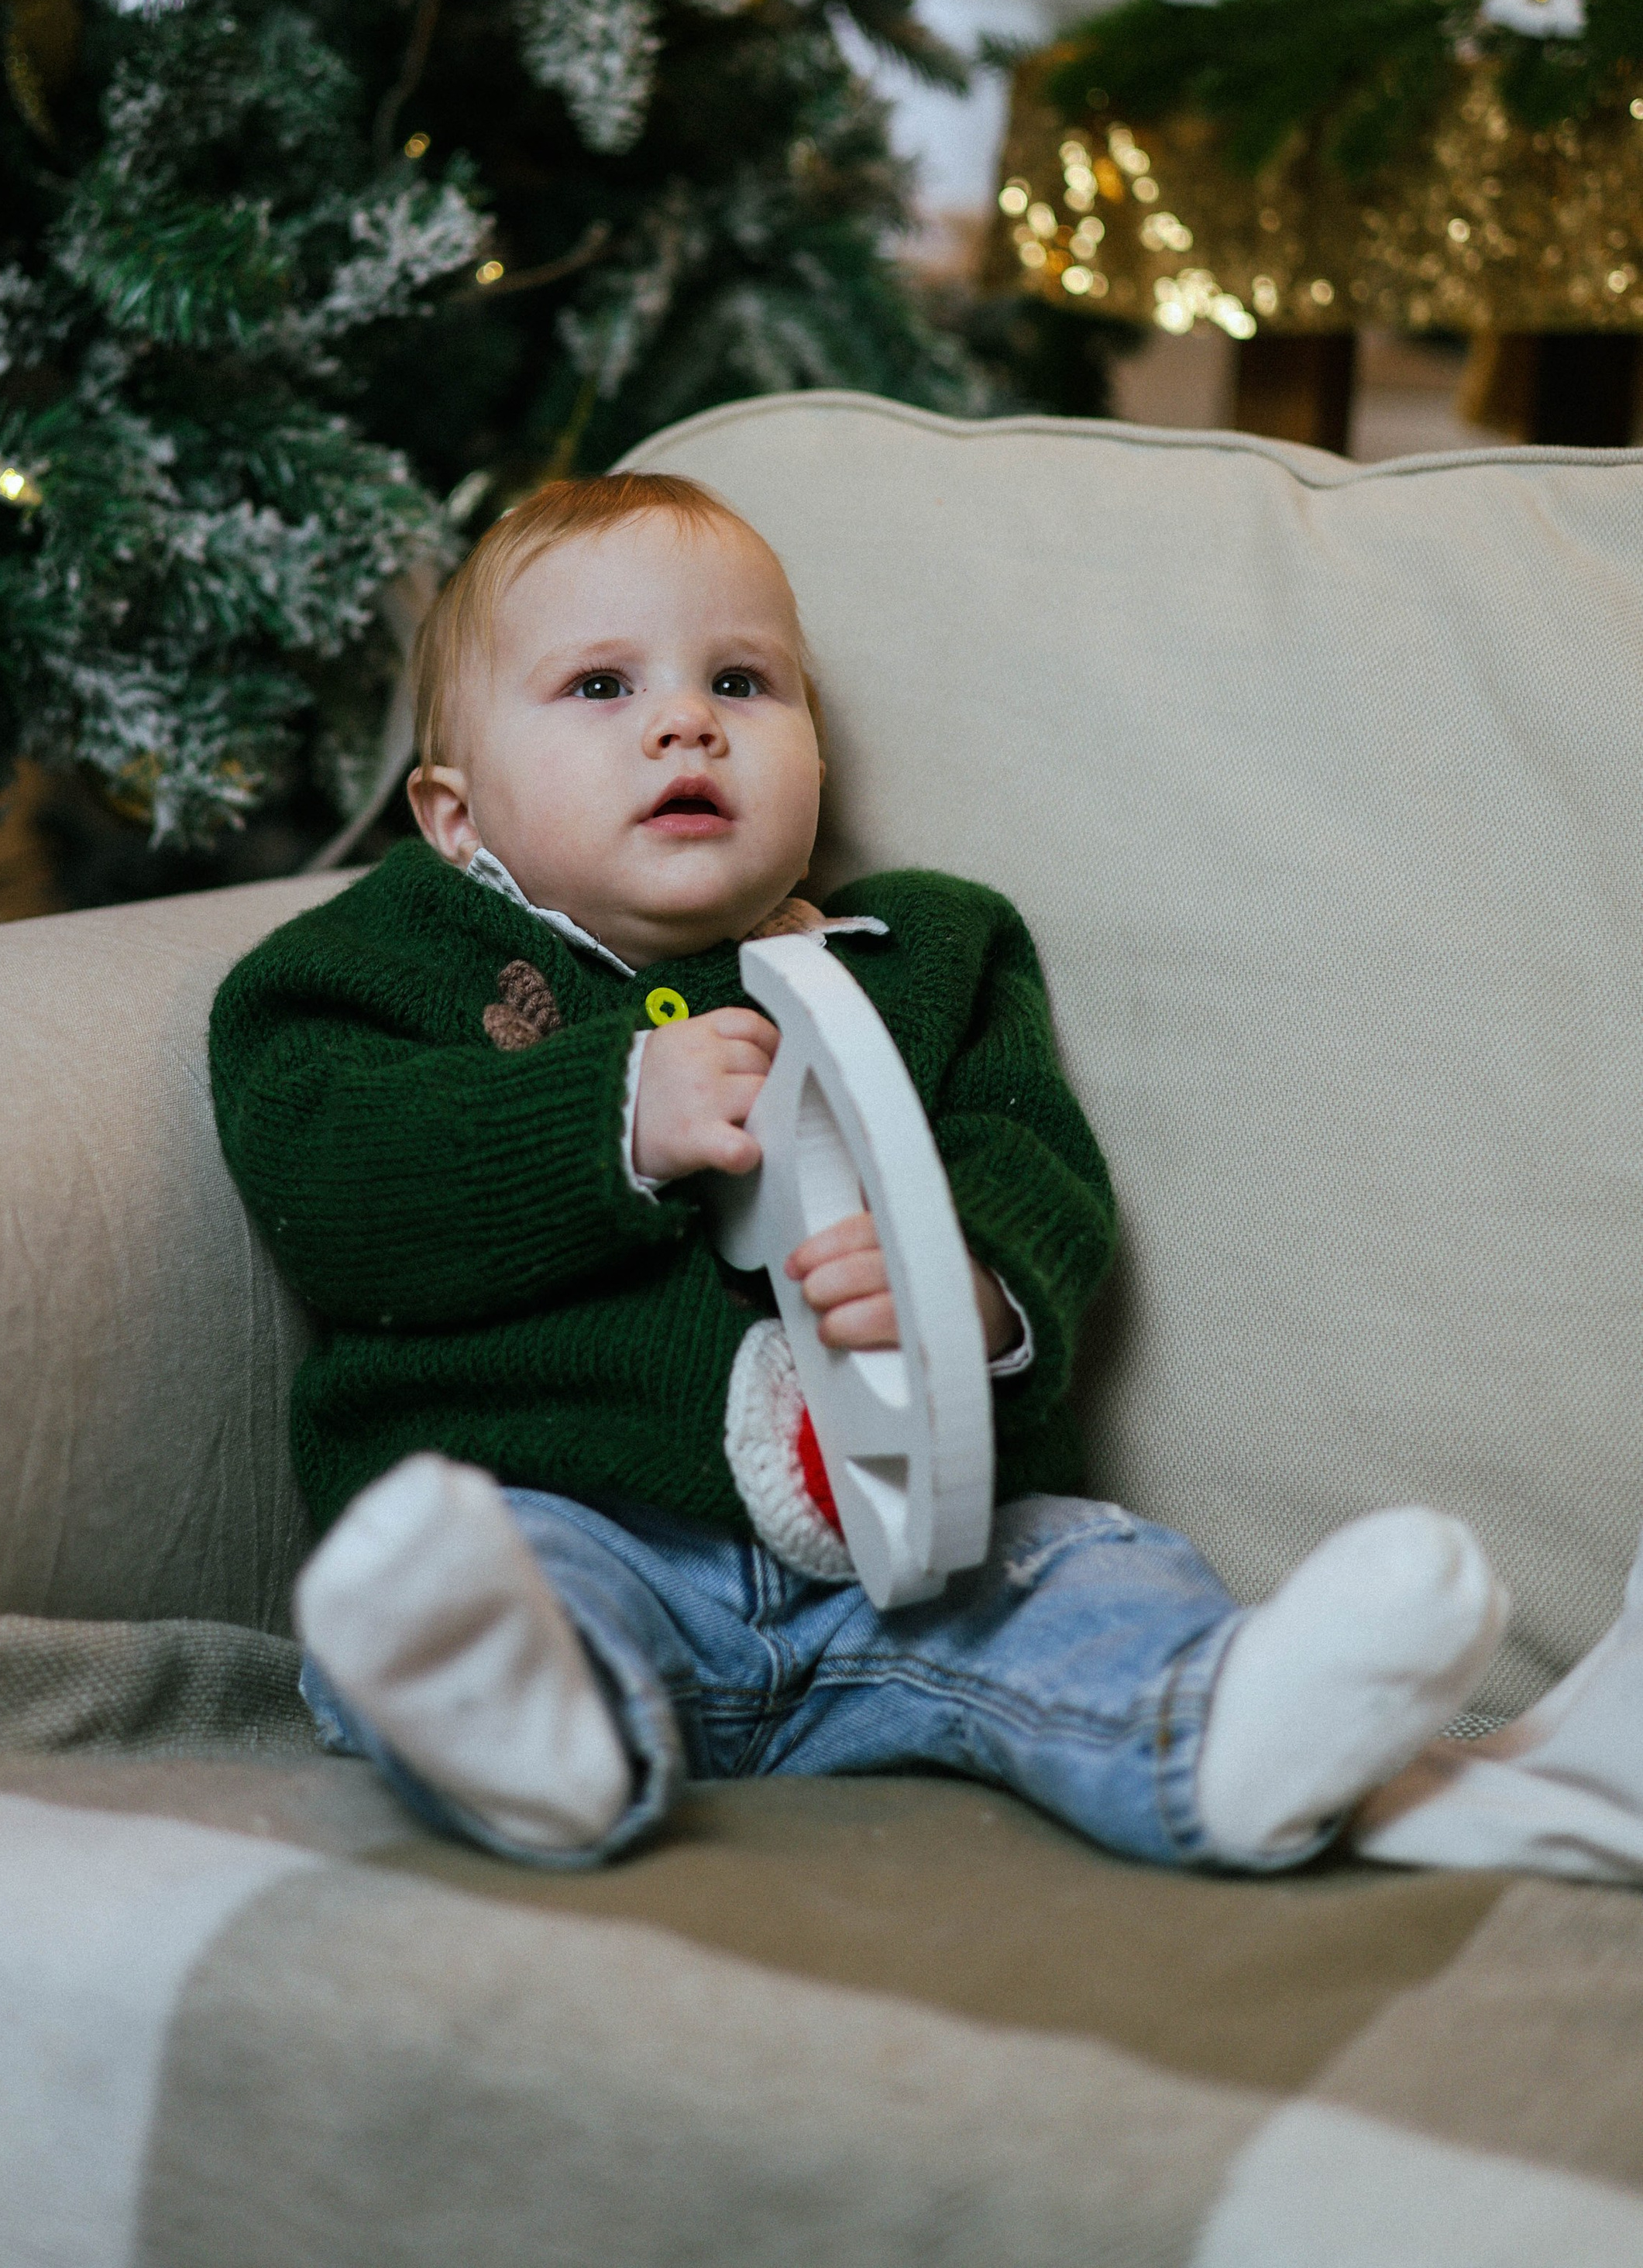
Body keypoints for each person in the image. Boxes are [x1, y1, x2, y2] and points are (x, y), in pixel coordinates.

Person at [208, 472, 1603, 1877]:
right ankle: (534, 1743)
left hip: (908, 1568)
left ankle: (1225, 1739)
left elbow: (1034, 1166)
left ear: (816, 751)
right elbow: (326, 1177)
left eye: (742, 682)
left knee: (1091, 1572)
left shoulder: (930, 952)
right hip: (572, 1522)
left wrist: (966, 1289)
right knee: (494, 1592)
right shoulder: (374, 969)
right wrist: (609, 1112)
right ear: (455, 818)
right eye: (599, 688)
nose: (684, 721)